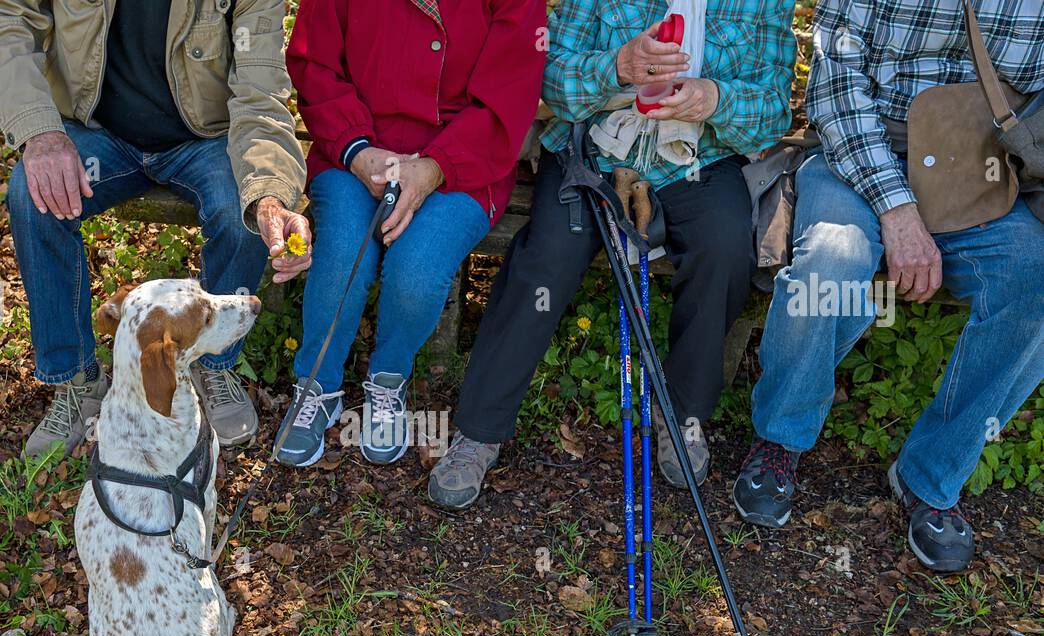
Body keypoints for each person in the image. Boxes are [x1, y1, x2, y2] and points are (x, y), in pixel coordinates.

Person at [428, 0, 796, 509]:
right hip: (594, 151)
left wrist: (716, 99)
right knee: (548, 258)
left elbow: (775, 110)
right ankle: (479, 429)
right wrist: (616, 68)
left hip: (699, 159)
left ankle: (681, 414)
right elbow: (548, 77)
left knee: (725, 250)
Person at [733, 0, 1044, 573]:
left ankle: (932, 475)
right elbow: (835, 91)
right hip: (859, 151)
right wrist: (897, 210)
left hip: (979, 172)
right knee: (831, 264)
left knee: (1037, 281)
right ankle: (781, 437)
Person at [0, 0, 311, 457]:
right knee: (34, 200)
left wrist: (268, 194)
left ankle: (211, 362)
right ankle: (76, 379)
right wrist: (40, 133)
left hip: (206, 138)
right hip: (98, 131)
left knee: (243, 207)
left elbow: (260, 89)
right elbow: (7, 19)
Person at [277, 0, 547, 467]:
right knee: (343, 253)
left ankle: (388, 377)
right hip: (354, 147)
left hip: (464, 160)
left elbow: (510, 93)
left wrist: (435, 167)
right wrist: (358, 150)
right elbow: (312, 61)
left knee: (417, 271)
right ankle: (316, 384)